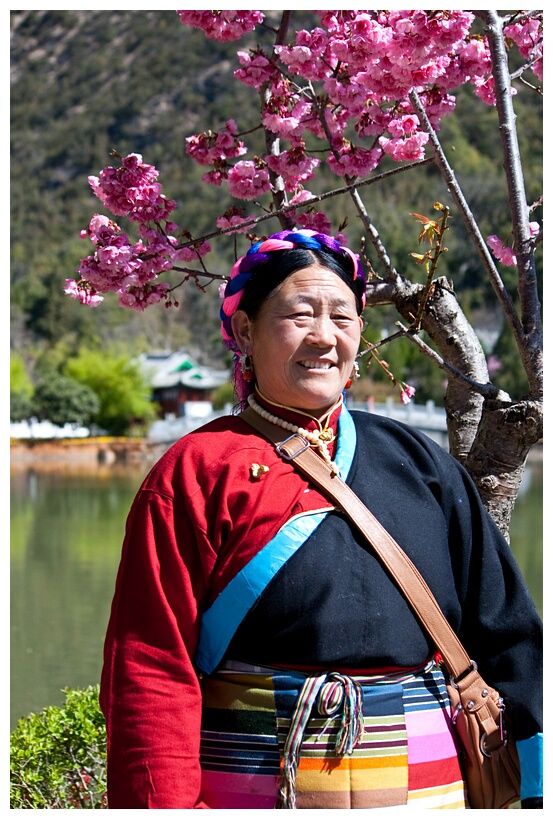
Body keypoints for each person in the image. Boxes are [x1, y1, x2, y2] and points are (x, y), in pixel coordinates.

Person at [99, 228, 542, 809]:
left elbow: (506, 632)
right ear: (245, 332)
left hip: (432, 792)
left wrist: (536, 786)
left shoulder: (421, 465)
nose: (324, 337)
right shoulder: (196, 473)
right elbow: (151, 671)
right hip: (251, 790)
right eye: (300, 314)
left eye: (343, 316)